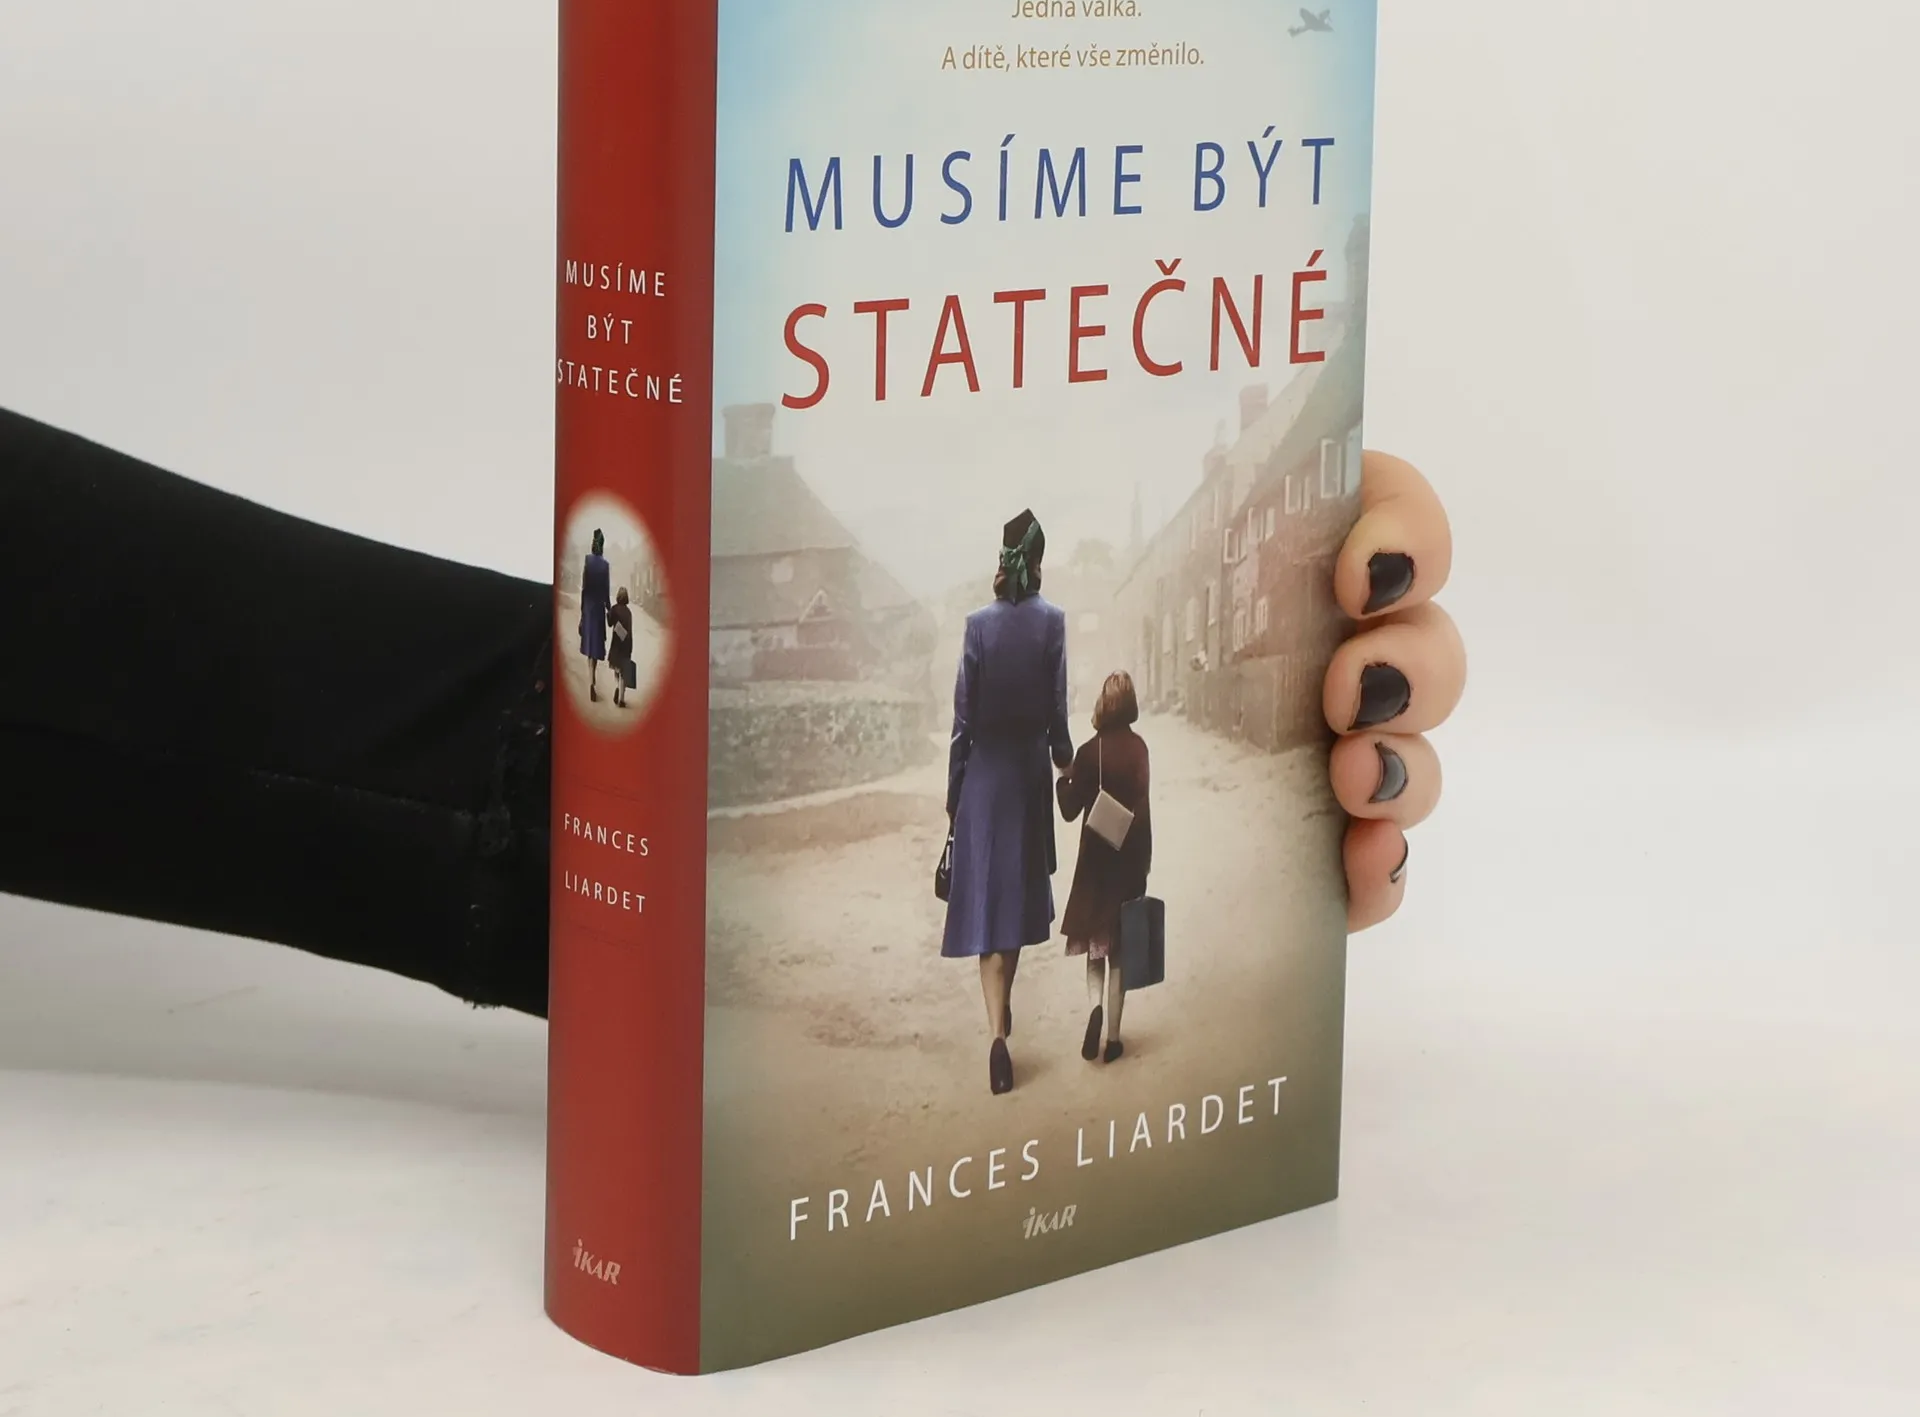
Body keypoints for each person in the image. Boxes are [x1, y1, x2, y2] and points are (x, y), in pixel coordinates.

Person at [0, 409, 1462, 1017]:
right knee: (1075, 907)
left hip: (995, 786)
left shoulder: (1006, 635)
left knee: (1040, 913)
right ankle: (1071, 1016)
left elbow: (981, 718)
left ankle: (1025, 1021)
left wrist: (614, 779)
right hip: (1020, 787)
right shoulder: (1033, 646)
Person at [940, 509, 1076, 1097]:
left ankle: (997, 1036)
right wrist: (1065, 759)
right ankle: (1005, 1012)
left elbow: (962, 720)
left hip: (984, 779)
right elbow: (1057, 709)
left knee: (987, 910)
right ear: (1039, 562)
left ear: (1001, 558)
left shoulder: (977, 626)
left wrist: (955, 794)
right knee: (1014, 904)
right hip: (1026, 778)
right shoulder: (1053, 622)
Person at [1056, 670, 1151, 1065]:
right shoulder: (1139, 749)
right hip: (1127, 861)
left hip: (1095, 864)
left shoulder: (1087, 752)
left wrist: (1063, 779)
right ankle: (1113, 1039)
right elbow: (1143, 809)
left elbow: (1068, 810)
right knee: (1121, 955)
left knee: (1096, 951)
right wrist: (1144, 864)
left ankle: (1094, 1007)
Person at [578, 529, 610, 700]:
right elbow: (606, 591)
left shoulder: (587, 561)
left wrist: (582, 613)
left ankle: (591, 680)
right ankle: (592, 679)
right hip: (598, 610)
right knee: (596, 646)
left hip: (588, 608)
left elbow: (584, 589)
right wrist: (610, 609)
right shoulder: (605, 565)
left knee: (589, 645)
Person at [607, 585, 635, 709]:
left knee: (617, 669)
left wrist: (608, 613)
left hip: (617, 643)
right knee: (624, 671)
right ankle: (622, 699)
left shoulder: (614, 609)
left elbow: (609, 623)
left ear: (618, 596)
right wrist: (630, 646)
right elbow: (630, 630)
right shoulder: (629, 612)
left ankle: (617, 687)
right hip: (627, 643)